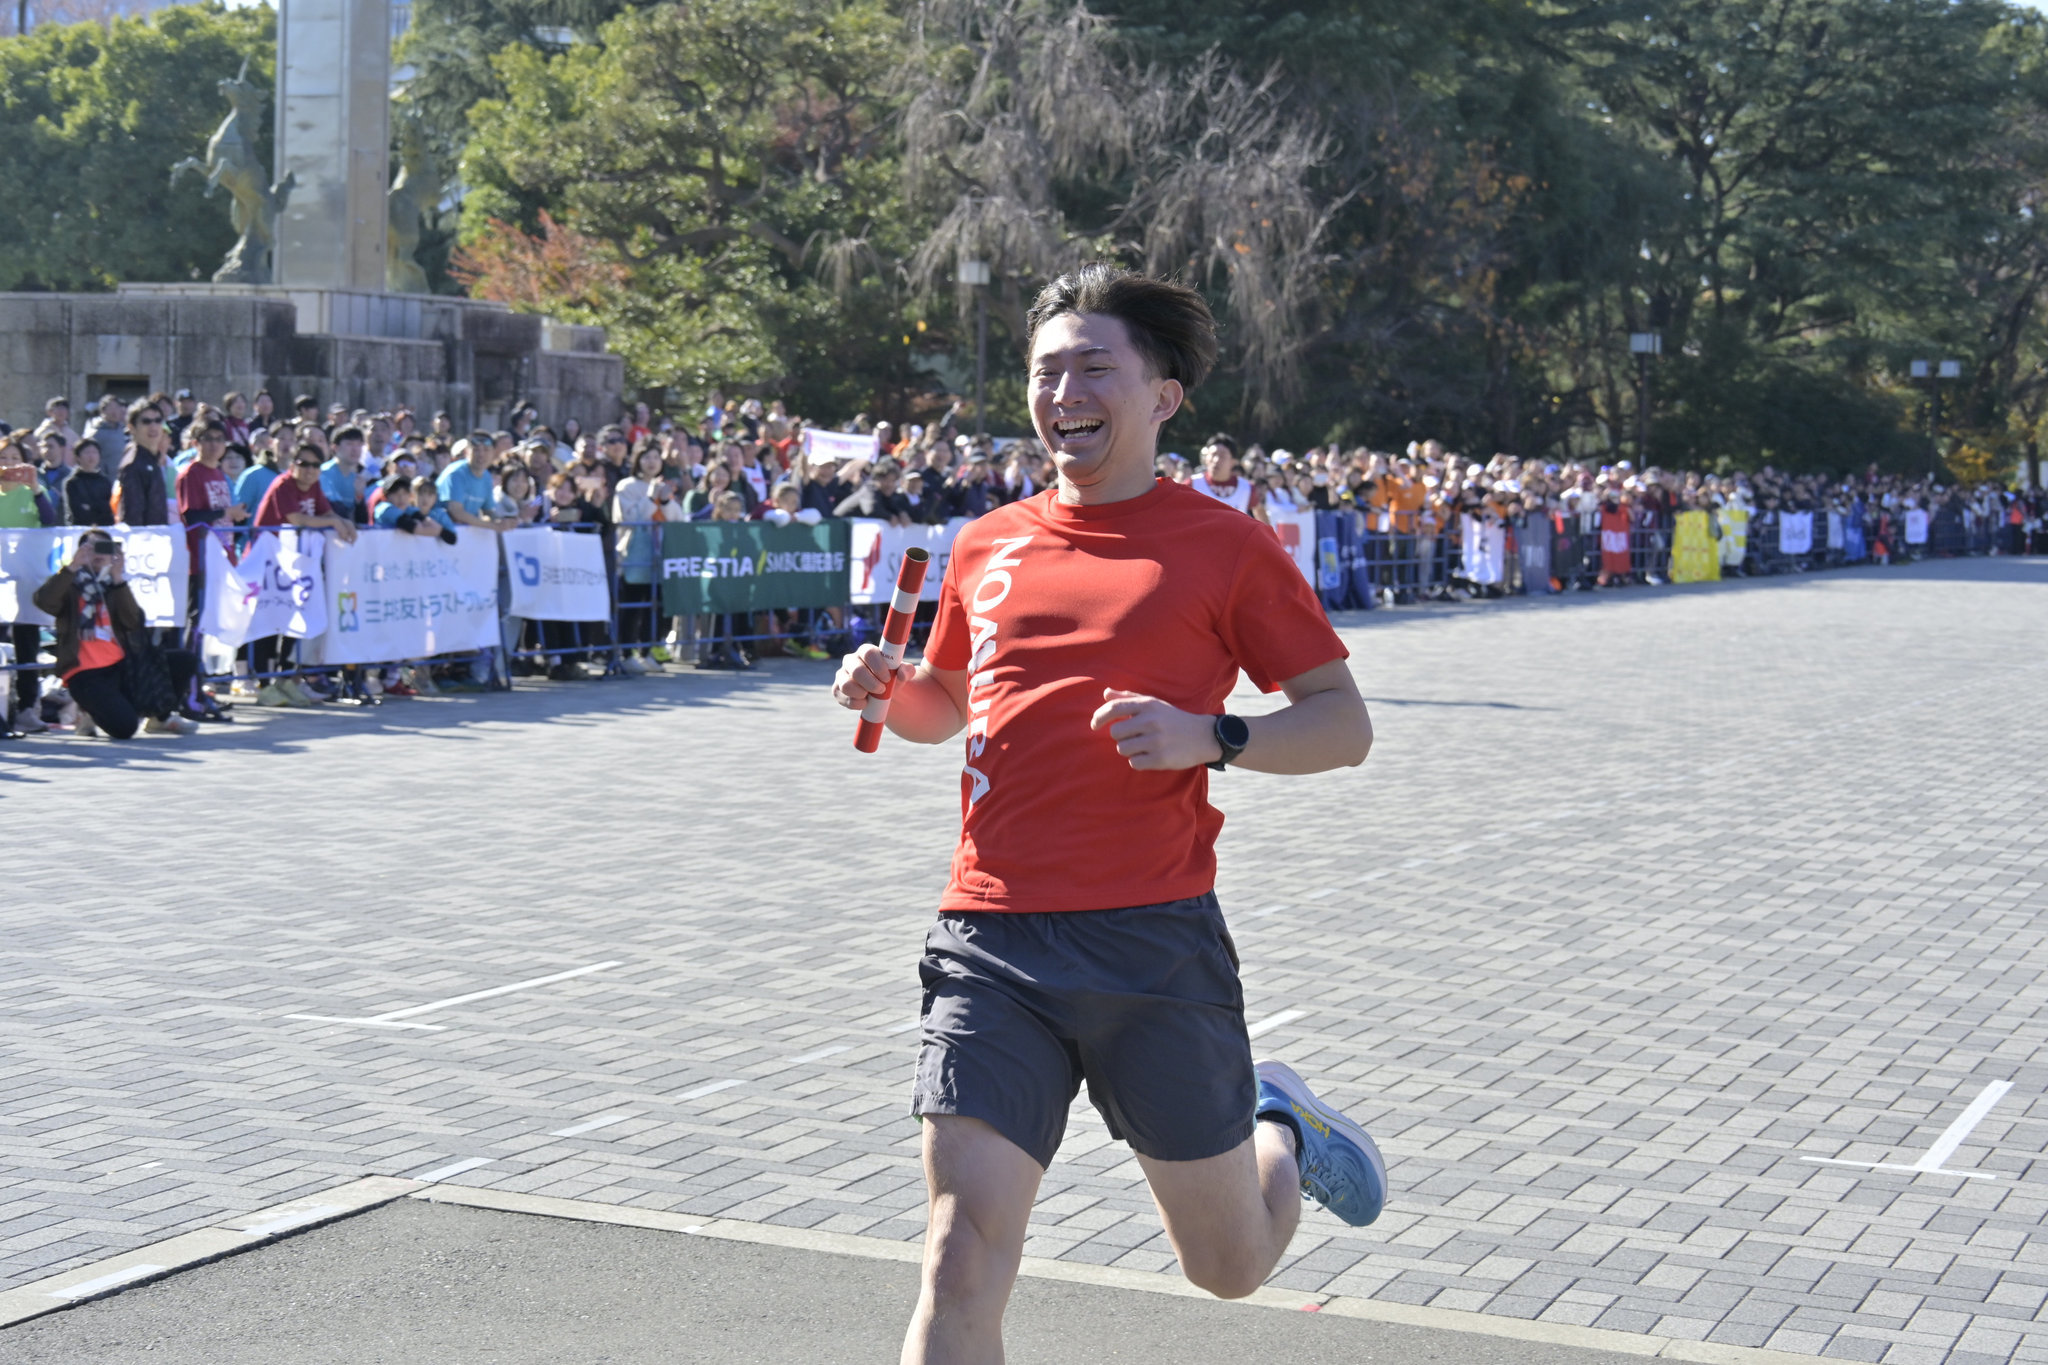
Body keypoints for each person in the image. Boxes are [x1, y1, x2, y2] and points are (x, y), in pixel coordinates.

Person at [830, 265, 1386, 1365]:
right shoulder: (986, 543)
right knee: (957, 1255)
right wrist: (885, 690)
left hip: (1153, 942)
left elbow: (1342, 722)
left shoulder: (1226, 546)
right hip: (990, 937)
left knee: (1226, 1266)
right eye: (1046, 372)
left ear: (1162, 396)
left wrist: (1212, 734)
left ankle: (1280, 1124)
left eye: (1093, 368)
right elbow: (944, 706)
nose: (1063, 393)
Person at [31, 532, 199, 737]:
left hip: (122, 666)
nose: (98, 554)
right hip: (85, 673)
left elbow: (133, 622)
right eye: (91, 548)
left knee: (184, 660)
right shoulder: (70, 584)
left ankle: (160, 718)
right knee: (125, 729)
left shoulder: (114, 585)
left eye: (104, 548)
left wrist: (119, 578)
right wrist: (73, 566)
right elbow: (44, 601)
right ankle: (90, 712)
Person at [113, 401, 170, 527]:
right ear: (132, 428)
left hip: (159, 534)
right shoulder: (132, 465)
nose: (153, 426)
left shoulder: (154, 459)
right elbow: (132, 518)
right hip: (143, 536)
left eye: (158, 421)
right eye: (146, 421)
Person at [64, 438, 114, 527]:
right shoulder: (72, 482)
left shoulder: (105, 481)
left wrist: (91, 507)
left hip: (104, 527)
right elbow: (77, 510)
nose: (91, 456)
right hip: (80, 529)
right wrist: (98, 507)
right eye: (87, 452)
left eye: (95, 452)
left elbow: (109, 509)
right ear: (78, 457)